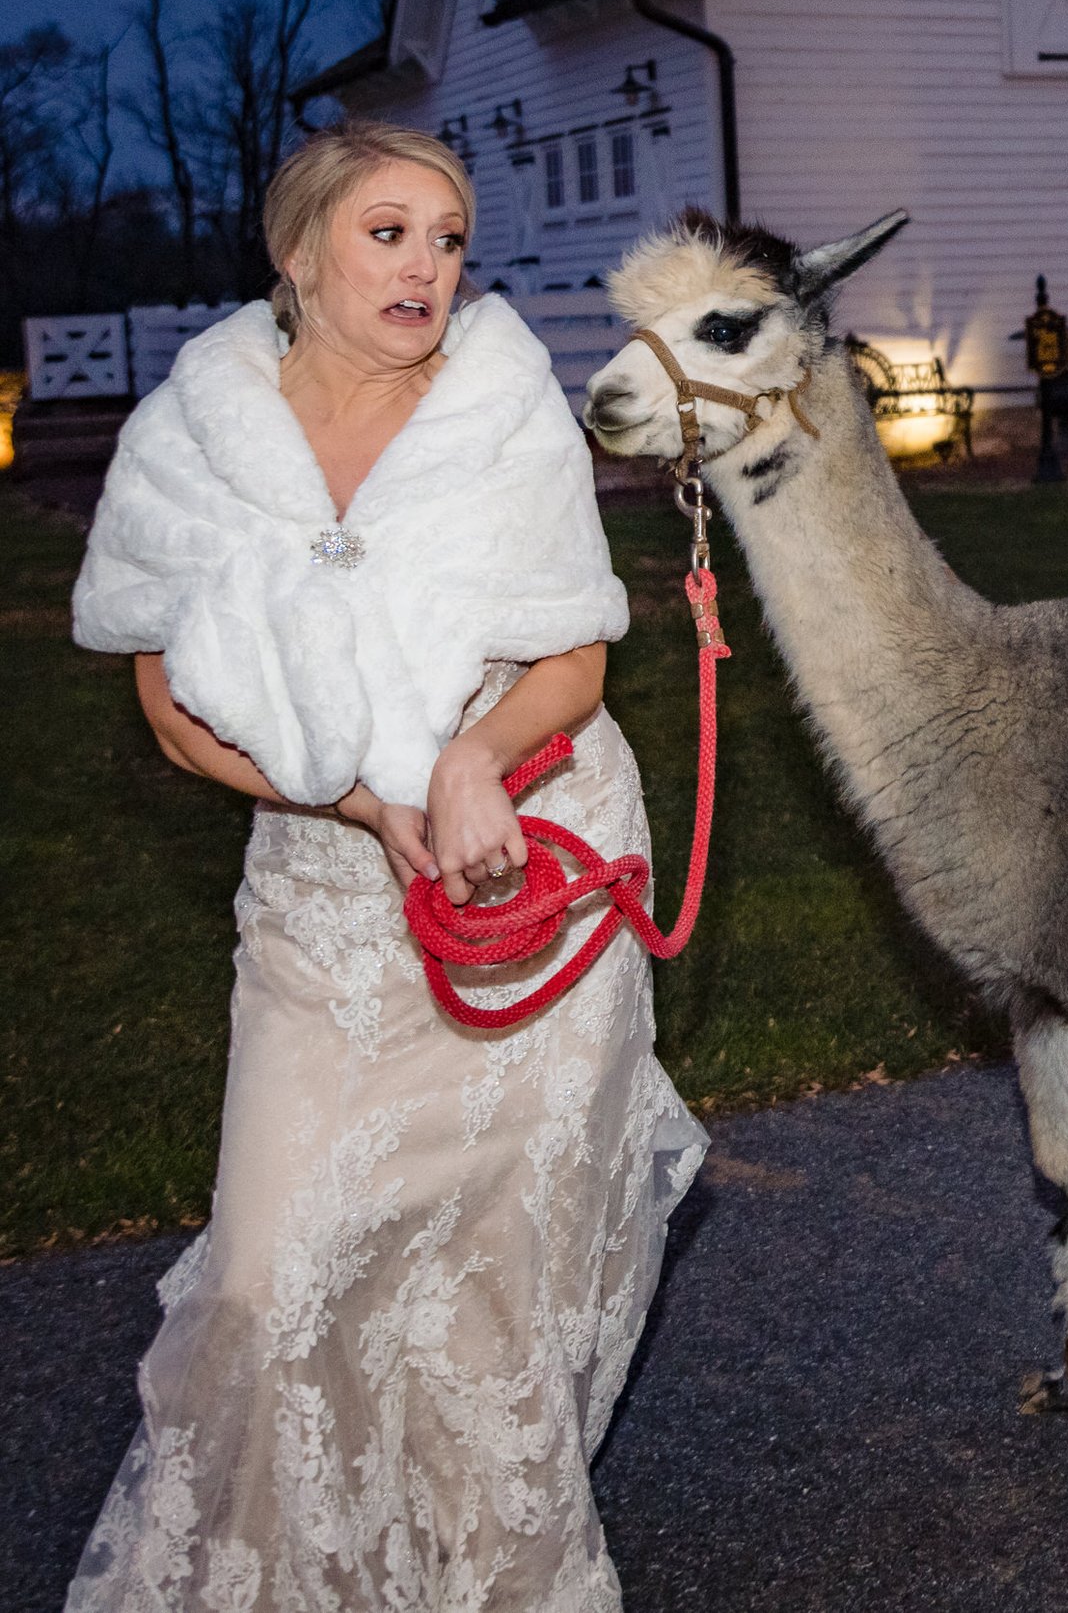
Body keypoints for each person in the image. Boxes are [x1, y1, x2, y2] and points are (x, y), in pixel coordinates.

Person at [64, 121, 705, 1612]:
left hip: (532, 866)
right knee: (264, 1273)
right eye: (389, 233)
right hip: (327, 902)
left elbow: (576, 654)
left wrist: (469, 757)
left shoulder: (499, 408)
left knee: (485, 1284)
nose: (429, 266)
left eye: (450, 238)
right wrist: (364, 804)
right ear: (298, 254)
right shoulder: (195, 434)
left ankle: (490, 1579)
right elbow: (166, 707)